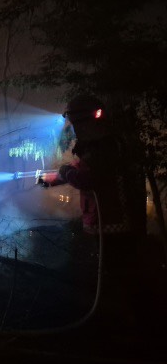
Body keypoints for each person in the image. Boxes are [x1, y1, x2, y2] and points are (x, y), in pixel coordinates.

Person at [38, 94, 145, 332]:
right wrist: (49, 180)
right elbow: (78, 172)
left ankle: (134, 326)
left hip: (114, 222)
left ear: (87, 122)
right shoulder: (97, 148)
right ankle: (124, 322)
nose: (76, 130)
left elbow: (87, 179)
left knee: (120, 274)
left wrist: (63, 172)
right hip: (104, 221)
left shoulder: (106, 146)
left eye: (77, 124)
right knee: (112, 272)